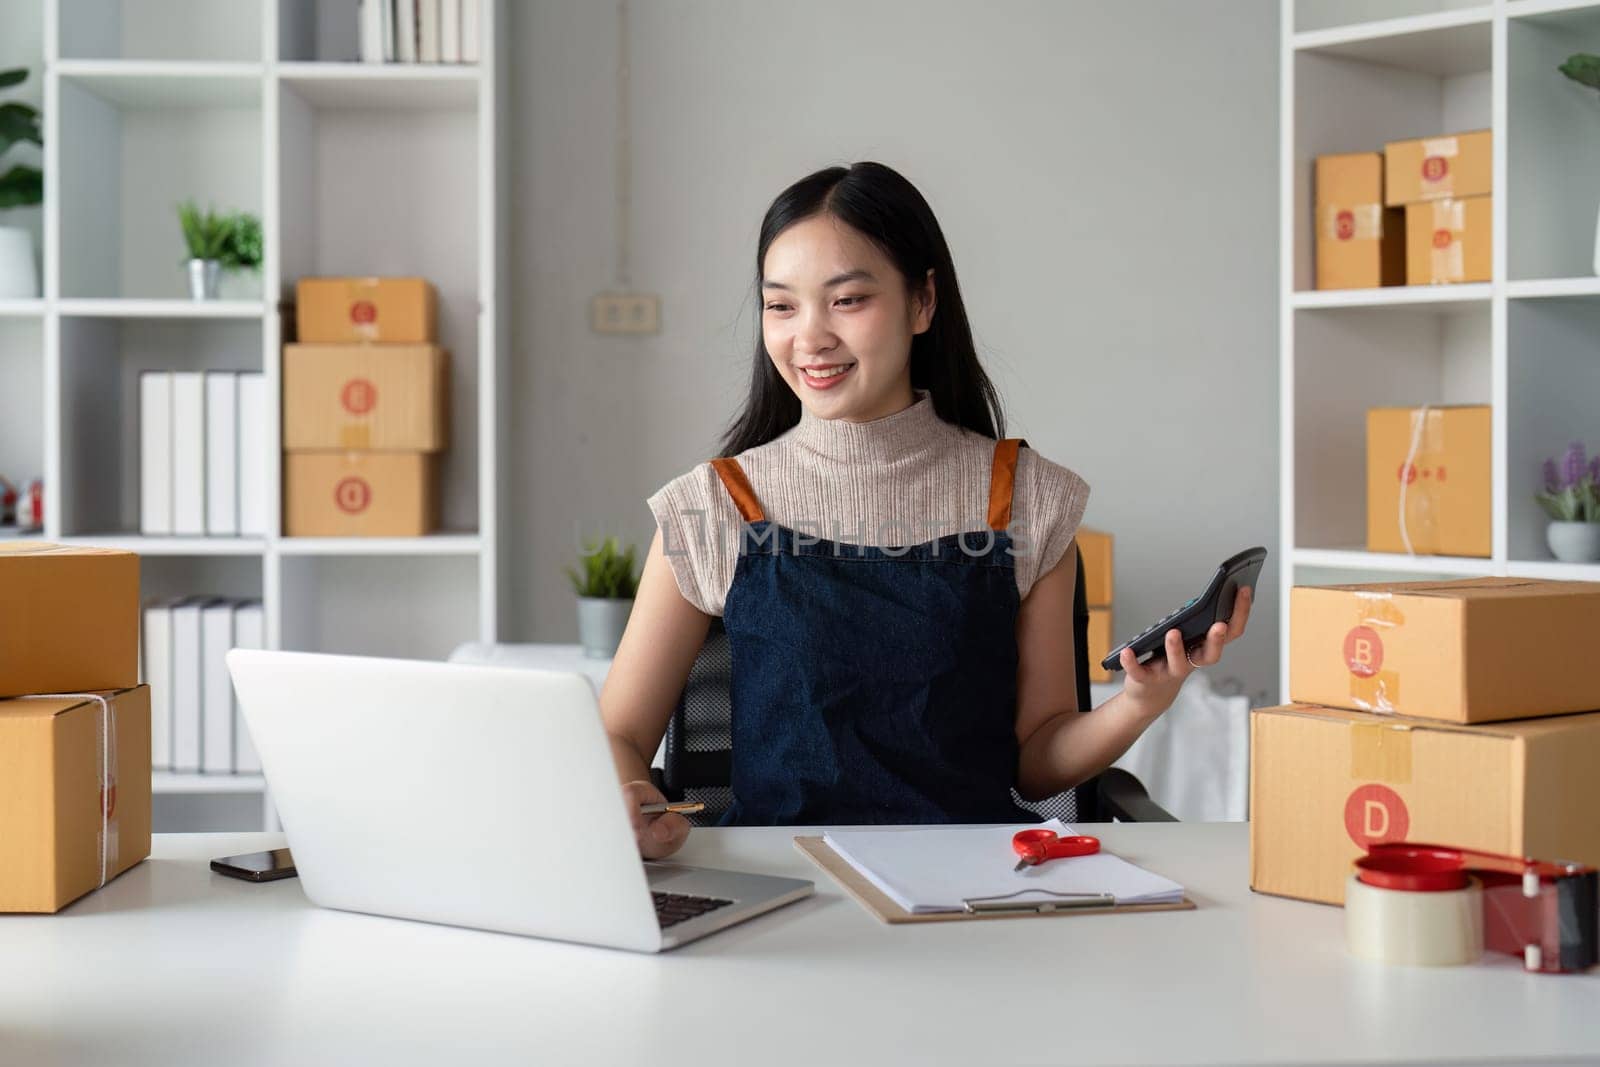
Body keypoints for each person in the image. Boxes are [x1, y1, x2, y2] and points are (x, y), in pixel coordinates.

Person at [601, 161, 1251, 859]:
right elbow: (622, 735)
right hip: (782, 889)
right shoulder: (709, 507)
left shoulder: (1029, 498)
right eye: (781, 305)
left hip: (969, 893)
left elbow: (1037, 758)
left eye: (847, 300)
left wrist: (1139, 701)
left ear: (922, 302)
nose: (809, 337)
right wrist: (627, 793)